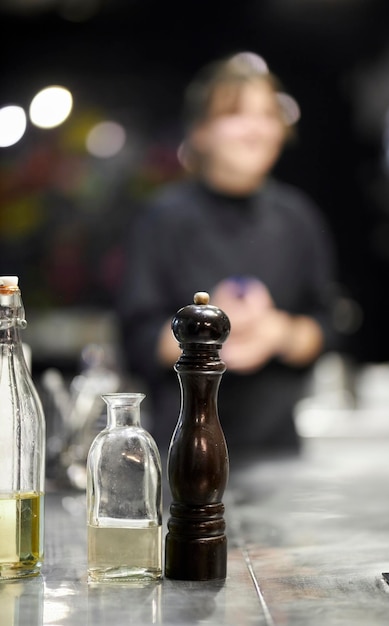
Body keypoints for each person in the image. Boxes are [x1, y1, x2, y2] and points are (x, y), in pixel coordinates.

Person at [118, 52, 338, 462]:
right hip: (181, 451)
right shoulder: (162, 219)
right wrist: (208, 333)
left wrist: (278, 331)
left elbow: (325, 327)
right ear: (201, 132)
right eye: (236, 114)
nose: (256, 129)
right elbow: (136, 341)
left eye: (269, 115)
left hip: (278, 452)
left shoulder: (298, 218)